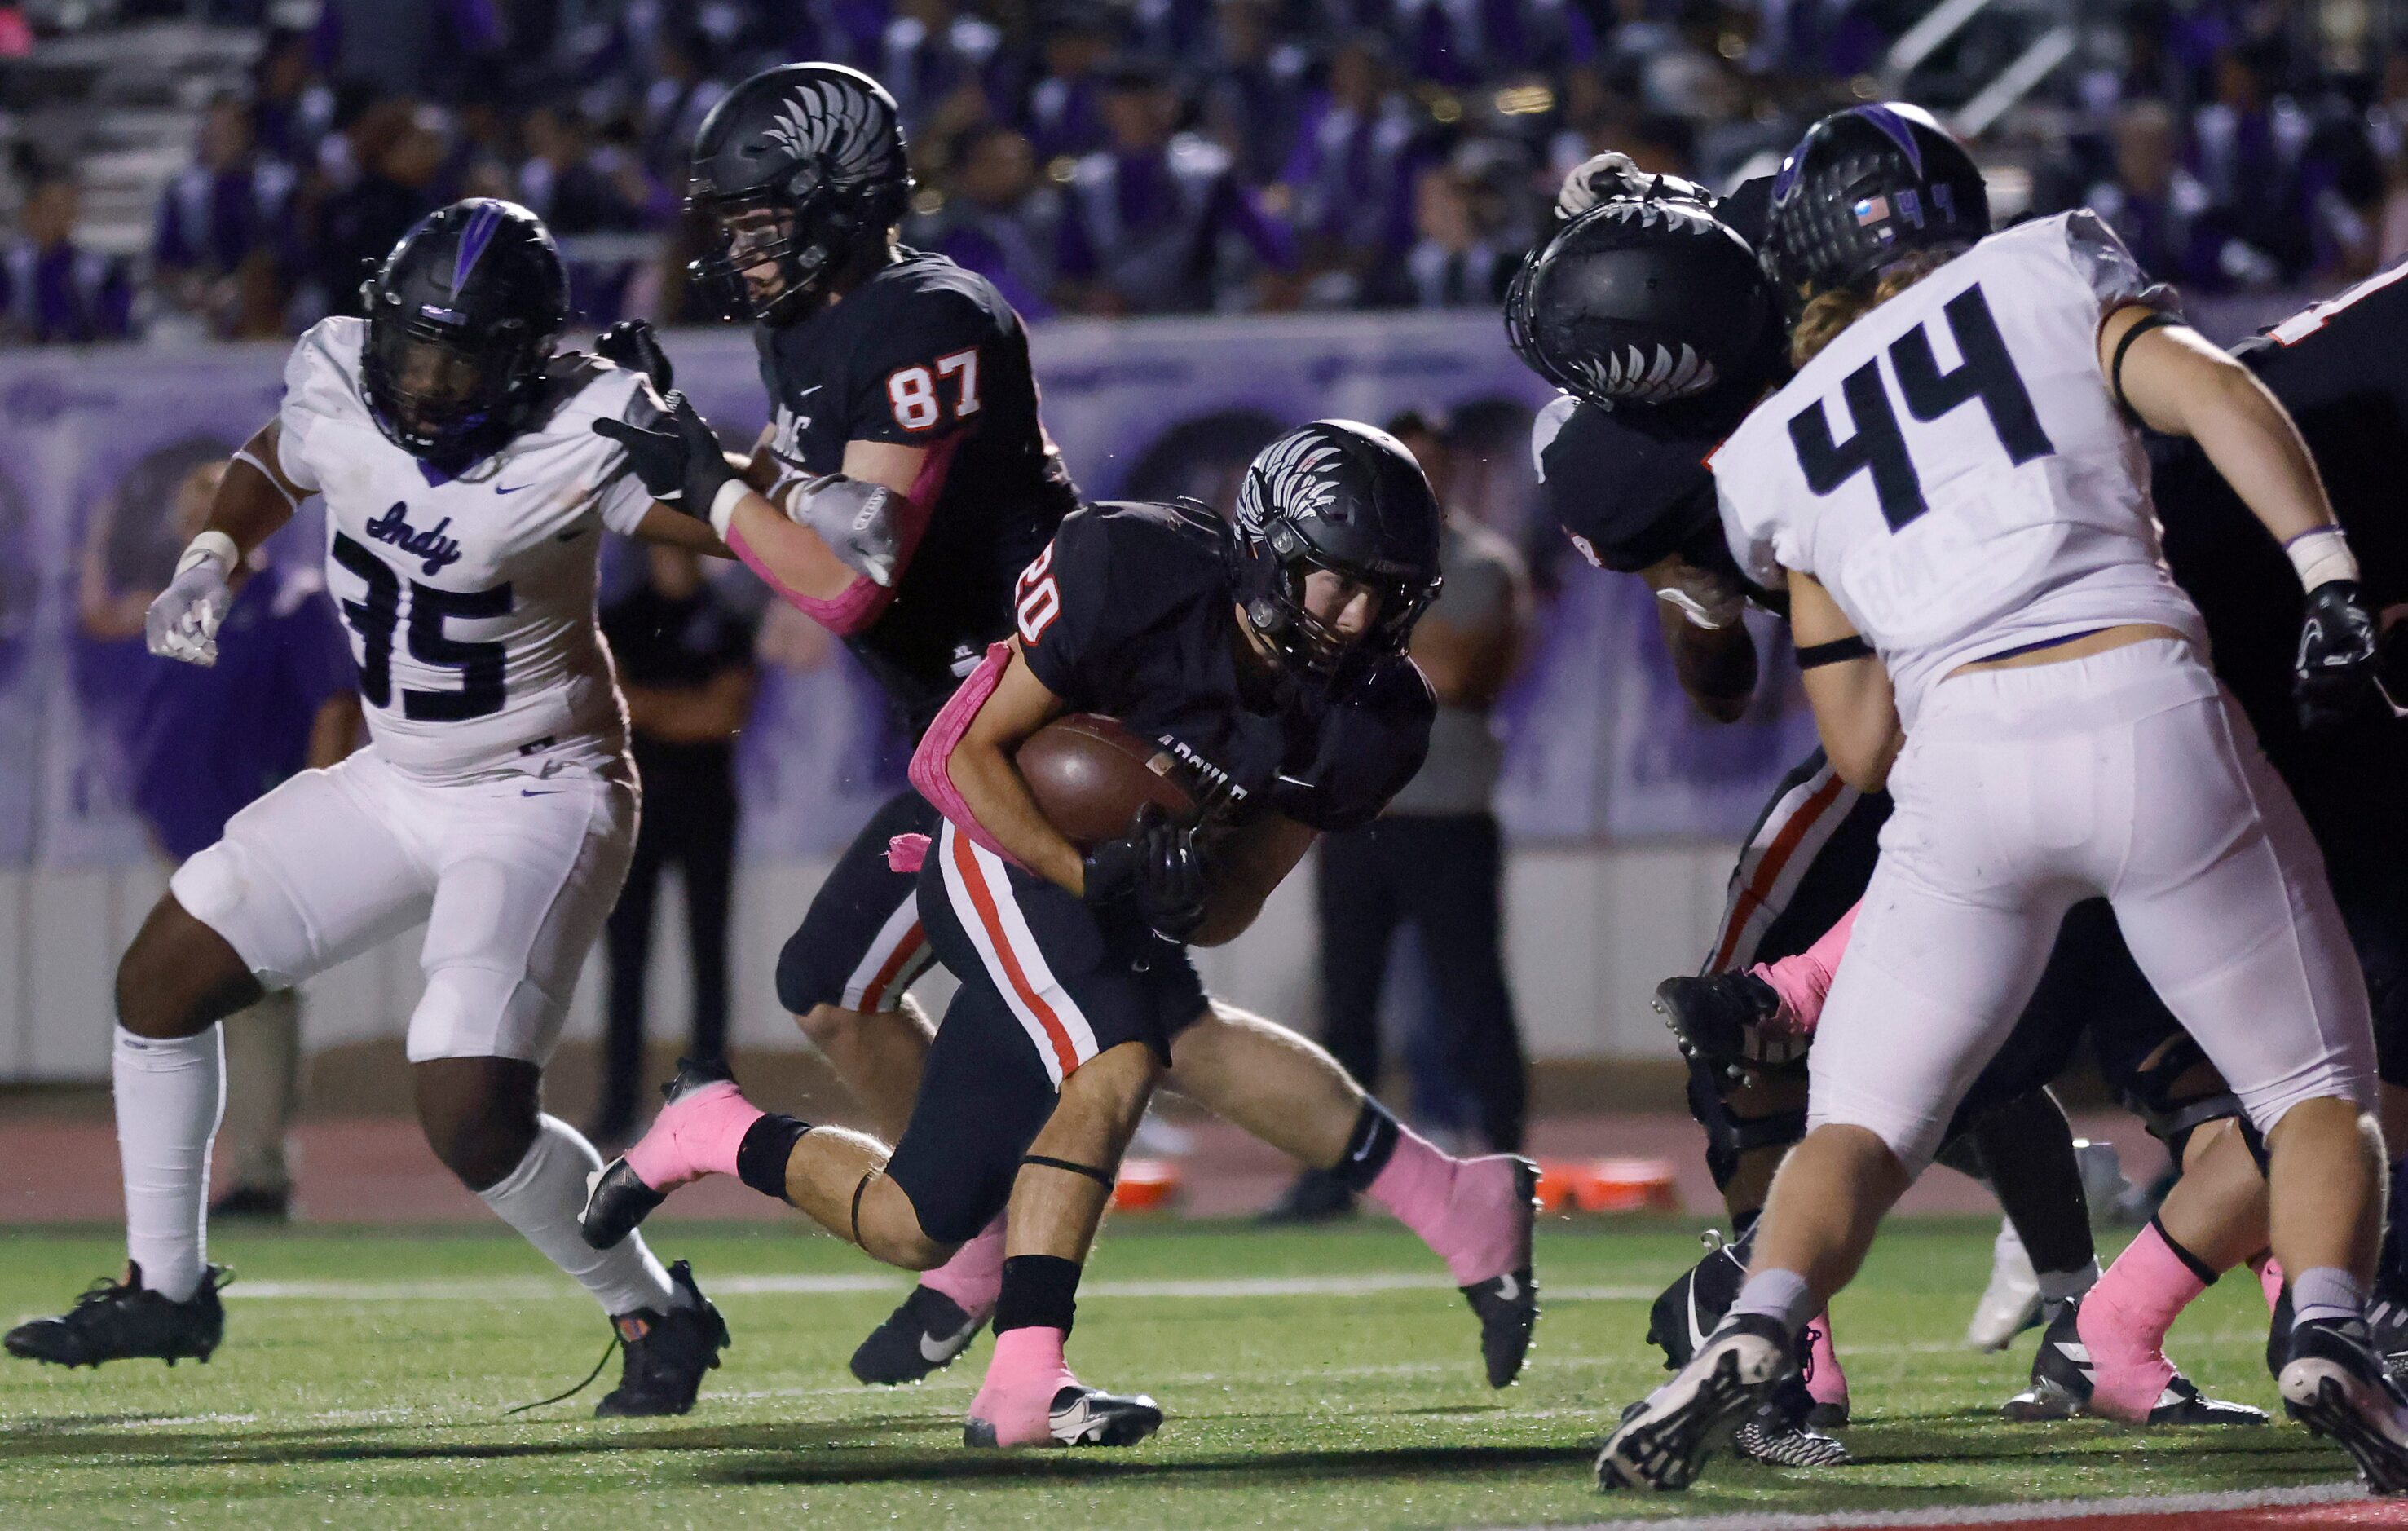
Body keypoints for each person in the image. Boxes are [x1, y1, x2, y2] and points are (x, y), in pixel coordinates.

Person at [1594, 103, 2402, 1494]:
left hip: (1959, 763)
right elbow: (2213, 393)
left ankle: (1751, 1326)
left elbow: (1853, 746)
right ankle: (2327, 1321)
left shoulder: (1776, 449)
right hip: (2142, 697)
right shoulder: (2044, 263)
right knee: (2315, 1086)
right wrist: (2323, 573)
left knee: (1855, 1126)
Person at [580, 417, 1539, 1447]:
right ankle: (1025, 1383)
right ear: (1264, 547)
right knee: (1116, 1054)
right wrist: (1089, 868)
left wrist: (1181, 895)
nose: (1354, 620)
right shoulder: (1135, 568)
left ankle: (713, 1129)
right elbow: (952, 759)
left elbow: (1237, 899)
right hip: (996, 839)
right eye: (1334, 581)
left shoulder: (1373, 714)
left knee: (915, 1220)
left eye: (1384, 594)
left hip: (1100, 883)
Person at [1515, 157, 2209, 1463]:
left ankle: (1785, 1345)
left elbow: (1747, 698)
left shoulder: (1679, 411)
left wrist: (1706, 589)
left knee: (1756, 1019)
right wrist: (1704, 589)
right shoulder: (1750, 359)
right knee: (2150, 1038)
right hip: (2095, 684)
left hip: (1933, 716)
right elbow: (1723, 676)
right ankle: (2151, 1311)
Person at [3, 199, 732, 1418]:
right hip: (400, 773)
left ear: (526, 353)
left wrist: (712, 466)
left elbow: (745, 532)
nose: (432, 380)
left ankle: (655, 1303)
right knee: (163, 977)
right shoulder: (340, 370)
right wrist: (212, 558)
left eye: (464, 354)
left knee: (464, 1100)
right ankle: (165, 1286)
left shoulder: (584, 429)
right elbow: (280, 456)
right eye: (416, 346)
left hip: (538, 787)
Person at [663, 61, 1082, 1388]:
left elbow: (847, 580)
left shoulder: (926, 316)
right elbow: (792, 534)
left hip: (1040, 720)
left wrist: (709, 492)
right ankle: (971, 1256)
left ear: (839, 202)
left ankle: (1015, 1322)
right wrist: (659, 456)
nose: (741, 246)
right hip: (955, 731)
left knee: (1121, 1034)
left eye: (761, 217)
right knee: (834, 990)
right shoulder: (809, 326)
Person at [1270, 408, 1530, 1221]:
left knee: (1470, 996)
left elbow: (1451, 671)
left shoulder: (1478, 560)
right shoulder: (1347, 558)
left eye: (1430, 464)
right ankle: (1331, 1174)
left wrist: (1341, 635)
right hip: (1353, 810)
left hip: (1447, 811)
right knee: (1344, 1003)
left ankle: (1504, 1164)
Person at [593, 545, 759, 1149]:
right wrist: (684, 710)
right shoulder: (620, 618)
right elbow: (614, 709)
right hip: (638, 807)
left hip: (706, 808)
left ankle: (710, 1104)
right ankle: (617, 1107)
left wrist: (652, 708)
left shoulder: (727, 618)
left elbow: (725, 715)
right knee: (627, 961)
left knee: (708, 957)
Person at [1, 165, 135, 344]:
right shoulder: (9, 268)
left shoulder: (100, 269)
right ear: (30, 212)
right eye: (51, 208)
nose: (59, 217)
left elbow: (116, 322)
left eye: (67, 208)